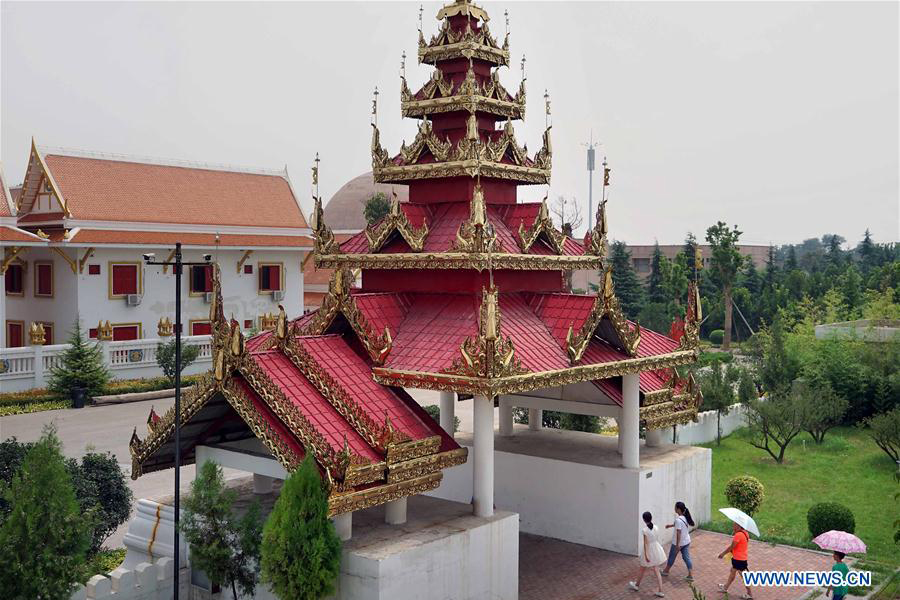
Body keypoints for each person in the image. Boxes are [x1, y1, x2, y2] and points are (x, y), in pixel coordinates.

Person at [627, 511, 668, 597]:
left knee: (642, 568)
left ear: (644, 520)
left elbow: (646, 544)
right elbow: (656, 539)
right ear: (651, 518)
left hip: (649, 550)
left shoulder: (645, 530)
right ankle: (660, 590)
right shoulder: (656, 527)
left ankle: (637, 585)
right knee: (656, 569)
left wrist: (646, 555)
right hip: (656, 548)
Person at [718, 522, 753, 599]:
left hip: (739, 560)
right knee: (732, 572)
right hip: (739, 558)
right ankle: (725, 588)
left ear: (739, 526)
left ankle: (749, 594)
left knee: (744, 577)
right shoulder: (745, 533)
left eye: (735, 525)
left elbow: (732, 547)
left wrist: (723, 554)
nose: (733, 526)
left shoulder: (738, 535)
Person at [661, 501, 695, 581]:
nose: (674, 508)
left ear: (678, 509)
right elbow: (679, 525)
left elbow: (678, 532)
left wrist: (677, 545)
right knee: (686, 557)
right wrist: (670, 525)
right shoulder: (685, 517)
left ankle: (666, 571)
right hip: (686, 541)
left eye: (675, 507)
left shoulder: (678, 520)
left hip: (679, 543)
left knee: (672, 556)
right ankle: (690, 575)